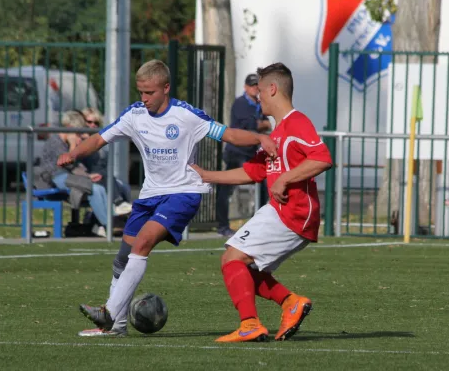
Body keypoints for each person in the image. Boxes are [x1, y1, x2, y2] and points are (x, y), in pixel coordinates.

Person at [56, 59, 277, 337]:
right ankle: (117, 327)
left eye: (149, 92)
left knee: (143, 241)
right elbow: (99, 139)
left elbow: (227, 133)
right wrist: (73, 154)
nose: (144, 98)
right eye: (141, 92)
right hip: (150, 195)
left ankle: (109, 313)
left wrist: (259, 138)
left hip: (183, 193)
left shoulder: (187, 116)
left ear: (166, 88)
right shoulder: (134, 115)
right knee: (122, 259)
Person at [191, 62, 333, 342]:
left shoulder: (296, 122)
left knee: (233, 257)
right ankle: (290, 303)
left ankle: (250, 323)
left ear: (273, 89)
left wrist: (284, 180)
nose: (257, 96)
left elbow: (322, 158)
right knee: (240, 265)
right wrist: (206, 175)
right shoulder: (277, 132)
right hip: (281, 211)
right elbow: (252, 172)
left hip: (293, 212)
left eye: (260, 90)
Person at [37, 111, 128, 230]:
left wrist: (88, 175)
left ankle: (111, 220)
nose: (79, 135)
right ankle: (107, 225)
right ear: (69, 128)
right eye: (77, 132)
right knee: (94, 189)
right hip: (57, 177)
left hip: (70, 176)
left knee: (99, 188)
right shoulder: (55, 141)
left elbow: (78, 166)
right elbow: (68, 163)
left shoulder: (65, 141)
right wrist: (73, 145)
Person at [216, 73, 271, 237]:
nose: (255, 88)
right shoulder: (240, 103)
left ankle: (257, 224)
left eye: (257, 86)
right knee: (225, 189)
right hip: (236, 152)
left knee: (264, 186)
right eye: (252, 85)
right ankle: (222, 226)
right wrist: (263, 124)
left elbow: (261, 124)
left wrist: (262, 125)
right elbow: (251, 125)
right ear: (246, 87)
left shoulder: (259, 104)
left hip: (251, 153)